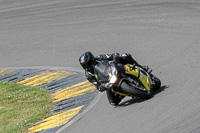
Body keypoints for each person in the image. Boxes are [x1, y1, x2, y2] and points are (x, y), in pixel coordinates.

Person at [79, 51, 151, 106]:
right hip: (108, 82)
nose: (86, 66)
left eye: (87, 64)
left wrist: (115, 56)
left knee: (125, 56)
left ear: (91, 59)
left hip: (114, 70)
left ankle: (141, 67)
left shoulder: (99, 58)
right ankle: (127, 92)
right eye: (84, 65)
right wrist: (102, 87)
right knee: (113, 102)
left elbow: (111, 55)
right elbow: (97, 86)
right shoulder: (89, 75)